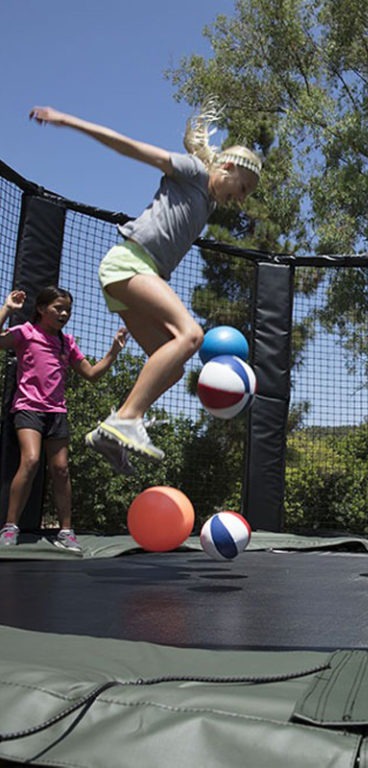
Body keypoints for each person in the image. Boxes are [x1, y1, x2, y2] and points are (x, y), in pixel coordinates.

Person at [28, 105, 262, 472]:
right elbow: (128, 146)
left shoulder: (209, 203)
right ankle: (127, 420)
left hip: (136, 275)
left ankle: (111, 432)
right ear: (227, 168)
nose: (242, 199)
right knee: (191, 335)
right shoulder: (193, 172)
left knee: (172, 369)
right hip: (129, 263)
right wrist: (68, 120)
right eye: (243, 188)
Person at [0, 287, 128, 550]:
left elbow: (91, 374)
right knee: (32, 459)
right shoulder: (26, 332)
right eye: (58, 308)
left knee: (61, 469)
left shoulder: (66, 342)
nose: (64, 313)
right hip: (28, 409)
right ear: (41, 309)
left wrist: (113, 351)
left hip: (56, 412)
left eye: (68, 309)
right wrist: (8, 309)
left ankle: (66, 531)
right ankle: (10, 526)